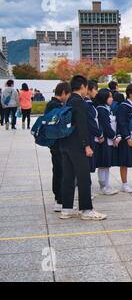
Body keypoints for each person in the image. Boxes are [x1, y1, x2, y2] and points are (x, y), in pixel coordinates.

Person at [59, 75, 107, 221]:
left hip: (66, 144)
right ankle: (86, 209)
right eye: (86, 87)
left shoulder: (68, 101)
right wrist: (86, 145)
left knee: (68, 176)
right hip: (77, 146)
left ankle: (66, 209)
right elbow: (82, 126)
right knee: (83, 176)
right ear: (83, 86)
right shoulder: (79, 102)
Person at [44, 82, 72, 212]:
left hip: (53, 143)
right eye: (68, 94)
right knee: (61, 172)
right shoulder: (57, 106)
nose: (68, 97)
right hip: (58, 143)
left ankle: (58, 199)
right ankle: (60, 200)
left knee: (57, 171)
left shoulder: (50, 105)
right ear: (63, 93)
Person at [116, 83, 132, 193]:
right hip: (127, 137)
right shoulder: (123, 106)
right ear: (130, 94)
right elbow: (121, 123)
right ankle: (124, 183)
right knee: (124, 161)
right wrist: (127, 137)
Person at [96, 88, 121, 196]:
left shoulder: (107, 108)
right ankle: (103, 186)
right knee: (103, 164)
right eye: (109, 97)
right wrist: (114, 137)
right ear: (104, 98)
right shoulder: (101, 109)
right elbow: (106, 126)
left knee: (107, 164)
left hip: (110, 140)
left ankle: (106, 184)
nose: (111, 99)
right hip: (105, 140)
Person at [85, 80, 104, 176]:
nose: (97, 92)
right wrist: (100, 134)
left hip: (92, 135)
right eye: (95, 89)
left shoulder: (90, 103)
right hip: (89, 136)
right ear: (88, 90)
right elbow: (91, 122)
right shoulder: (86, 104)